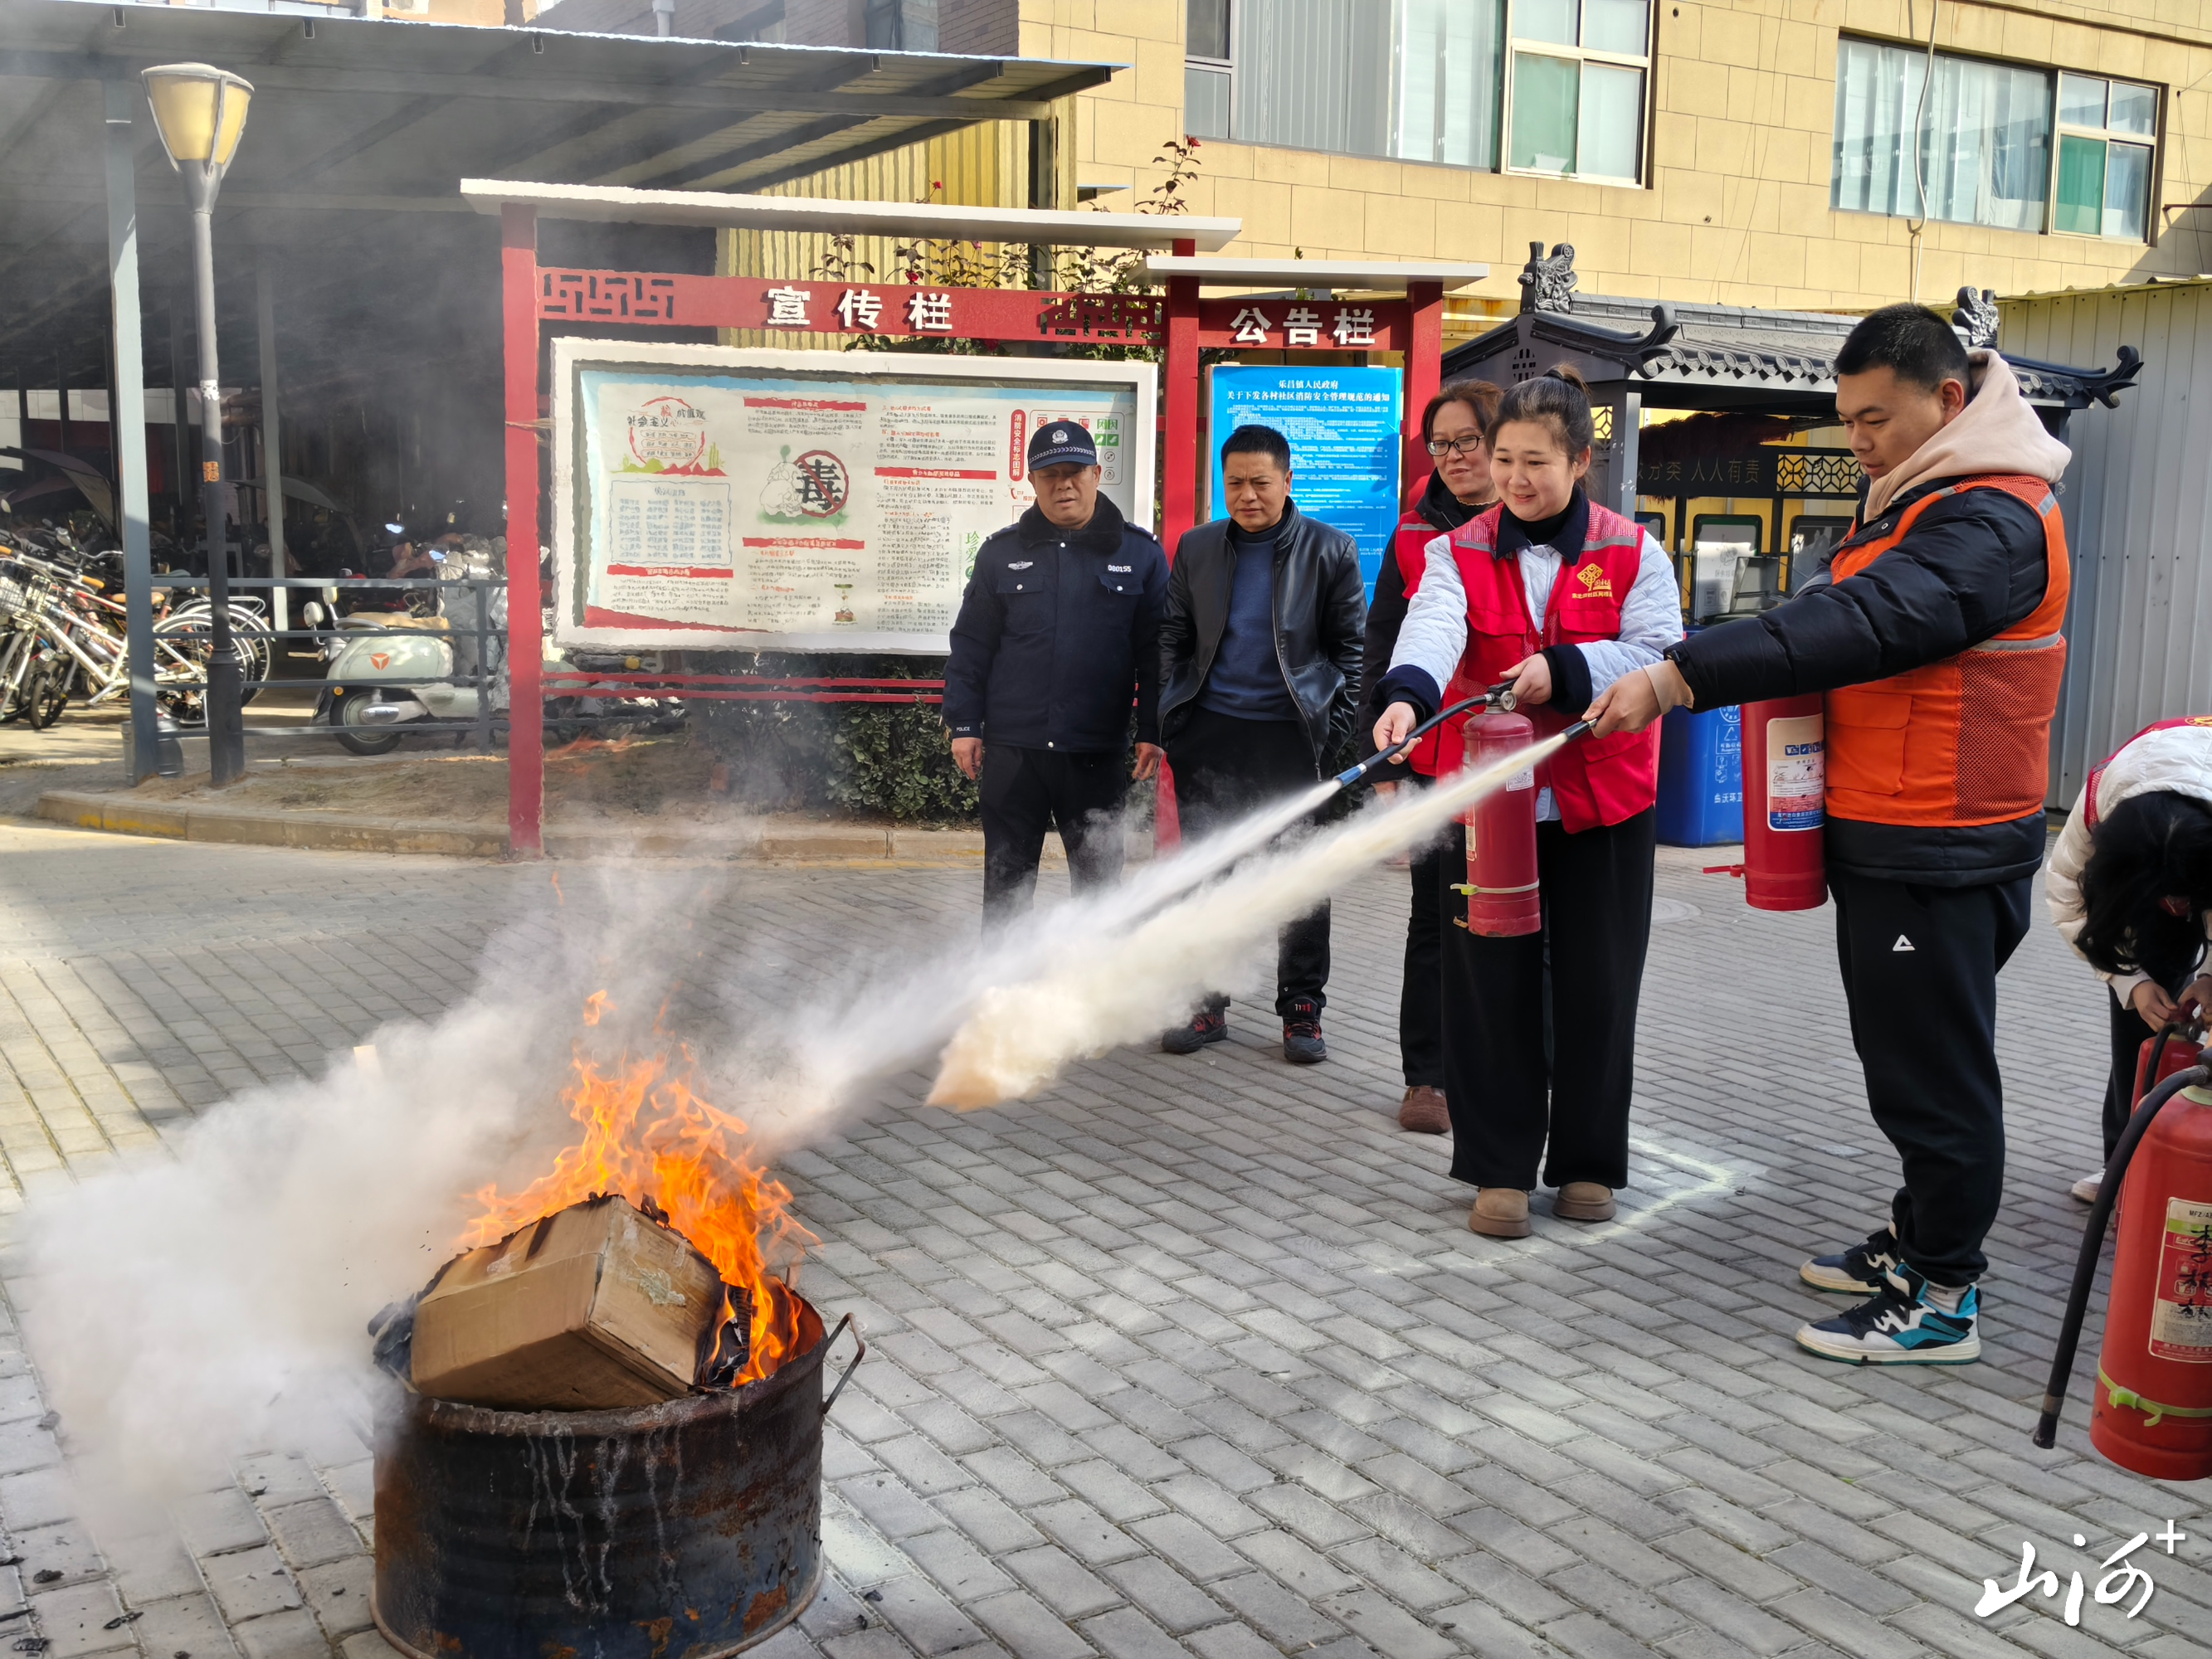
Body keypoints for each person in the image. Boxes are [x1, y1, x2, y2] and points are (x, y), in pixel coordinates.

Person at [1587, 303, 2075, 1365]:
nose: (1856, 441)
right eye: (1845, 420)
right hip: (1900, 831)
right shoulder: (1924, 497)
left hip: (1938, 843)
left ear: (1948, 401)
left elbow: (1861, 622)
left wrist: (1678, 675)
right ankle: (1915, 1241)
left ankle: (1943, 1296)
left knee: (1933, 1074)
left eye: (1873, 419)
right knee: (1904, 1059)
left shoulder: (1988, 517)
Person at [1372, 367, 1681, 1238]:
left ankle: (1586, 1164)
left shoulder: (1631, 549)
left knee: (1597, 983)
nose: (1512, 476)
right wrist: (1405, 694)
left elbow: (1662, 653)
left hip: (1605, 805)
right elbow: (1431, 625)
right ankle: (1497, 1167)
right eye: (1501, 457)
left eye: (1534, 461)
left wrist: (1569, 669)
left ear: (1580, 459)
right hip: (1495, 808)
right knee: (1486, 986)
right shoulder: (1456, 548)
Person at [1157, 424, 1366, 1063]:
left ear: (1288, 482)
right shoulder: (1197, 548)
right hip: (1211, 736)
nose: (1247, 496)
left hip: (1293, 737)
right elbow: (1172, 635)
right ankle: (1206, 1002)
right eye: (1235, 483)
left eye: (1260, 483)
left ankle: (1302, 1009)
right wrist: (1174, 719)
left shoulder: (1331, 550)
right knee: (1210, 873)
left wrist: (1335, 744)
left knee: (1301, 876)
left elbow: (1352, 655)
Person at [943, 421, 1167, 928]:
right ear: (1032, 480)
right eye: (1050, 475)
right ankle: (999, 995)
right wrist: (964, 725)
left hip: (1094, 754)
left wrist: (1154, 730)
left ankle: (1091, 999)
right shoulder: (1001, 553)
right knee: (1006, 885)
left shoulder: (1140, 555)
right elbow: (972, 644)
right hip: (1013, 752)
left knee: (1098, 890)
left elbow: (1157, 652)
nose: (1063, 485)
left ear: (1096, 472)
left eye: (1073, 473)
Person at [1356, 379, 1503, 1134]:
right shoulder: (1416, 534)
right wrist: (1384, 766)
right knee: (1435, 920)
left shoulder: (1535, 523)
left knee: (1510, 923)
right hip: (1436, 756)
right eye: (1439, 445)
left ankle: (1502, 1072)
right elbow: (1379, 643)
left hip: (1518, 763)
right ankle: (1428, 1078)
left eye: (1465, 442)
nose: (1451, 458)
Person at [2046, 716, 2212, 1203]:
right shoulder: (2101, 811)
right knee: (2151, 1023)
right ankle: (2127, 1167)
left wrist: (2208, 976)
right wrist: (2132, 982)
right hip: (2149, 861)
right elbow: (2067, 896)